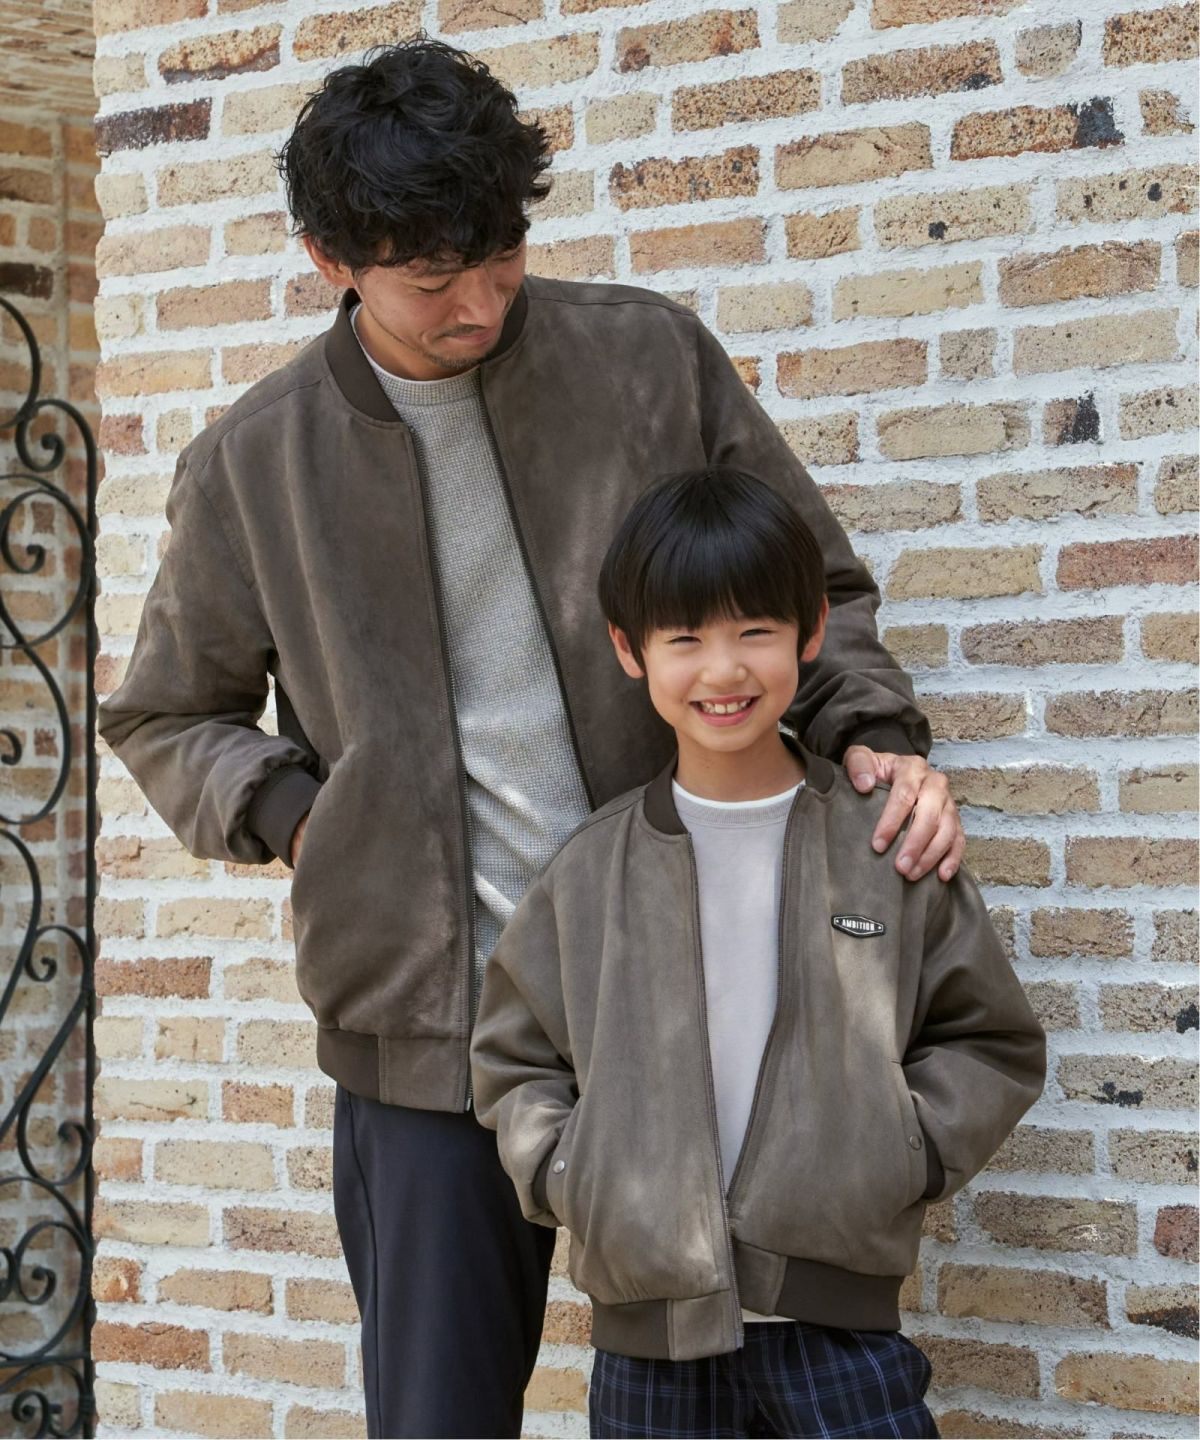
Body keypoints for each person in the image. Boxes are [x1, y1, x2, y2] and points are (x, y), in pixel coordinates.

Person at [97, 39, 970, 1440]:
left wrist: (871, 733)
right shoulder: (255, 462)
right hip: (426, 1033)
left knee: (751, 1406)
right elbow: (163, 711)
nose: (479, 304)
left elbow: (814, 588)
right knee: (439, 1418)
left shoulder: (647, 359)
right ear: (331, 260)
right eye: (430, 279)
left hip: (696, 998)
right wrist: (299, 817)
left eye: (502, 257)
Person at [471, 468, 1046, 1440]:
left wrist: (897, 1150)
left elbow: (989, 1041)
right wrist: (575, 1174)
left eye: (754, 631)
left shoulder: (882, 845)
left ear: (811, 632)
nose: (723, 670)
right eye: (685, 639)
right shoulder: (590, 871)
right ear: (629, 649)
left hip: (842, 1334)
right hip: (650, 1348)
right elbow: (515, 1059)